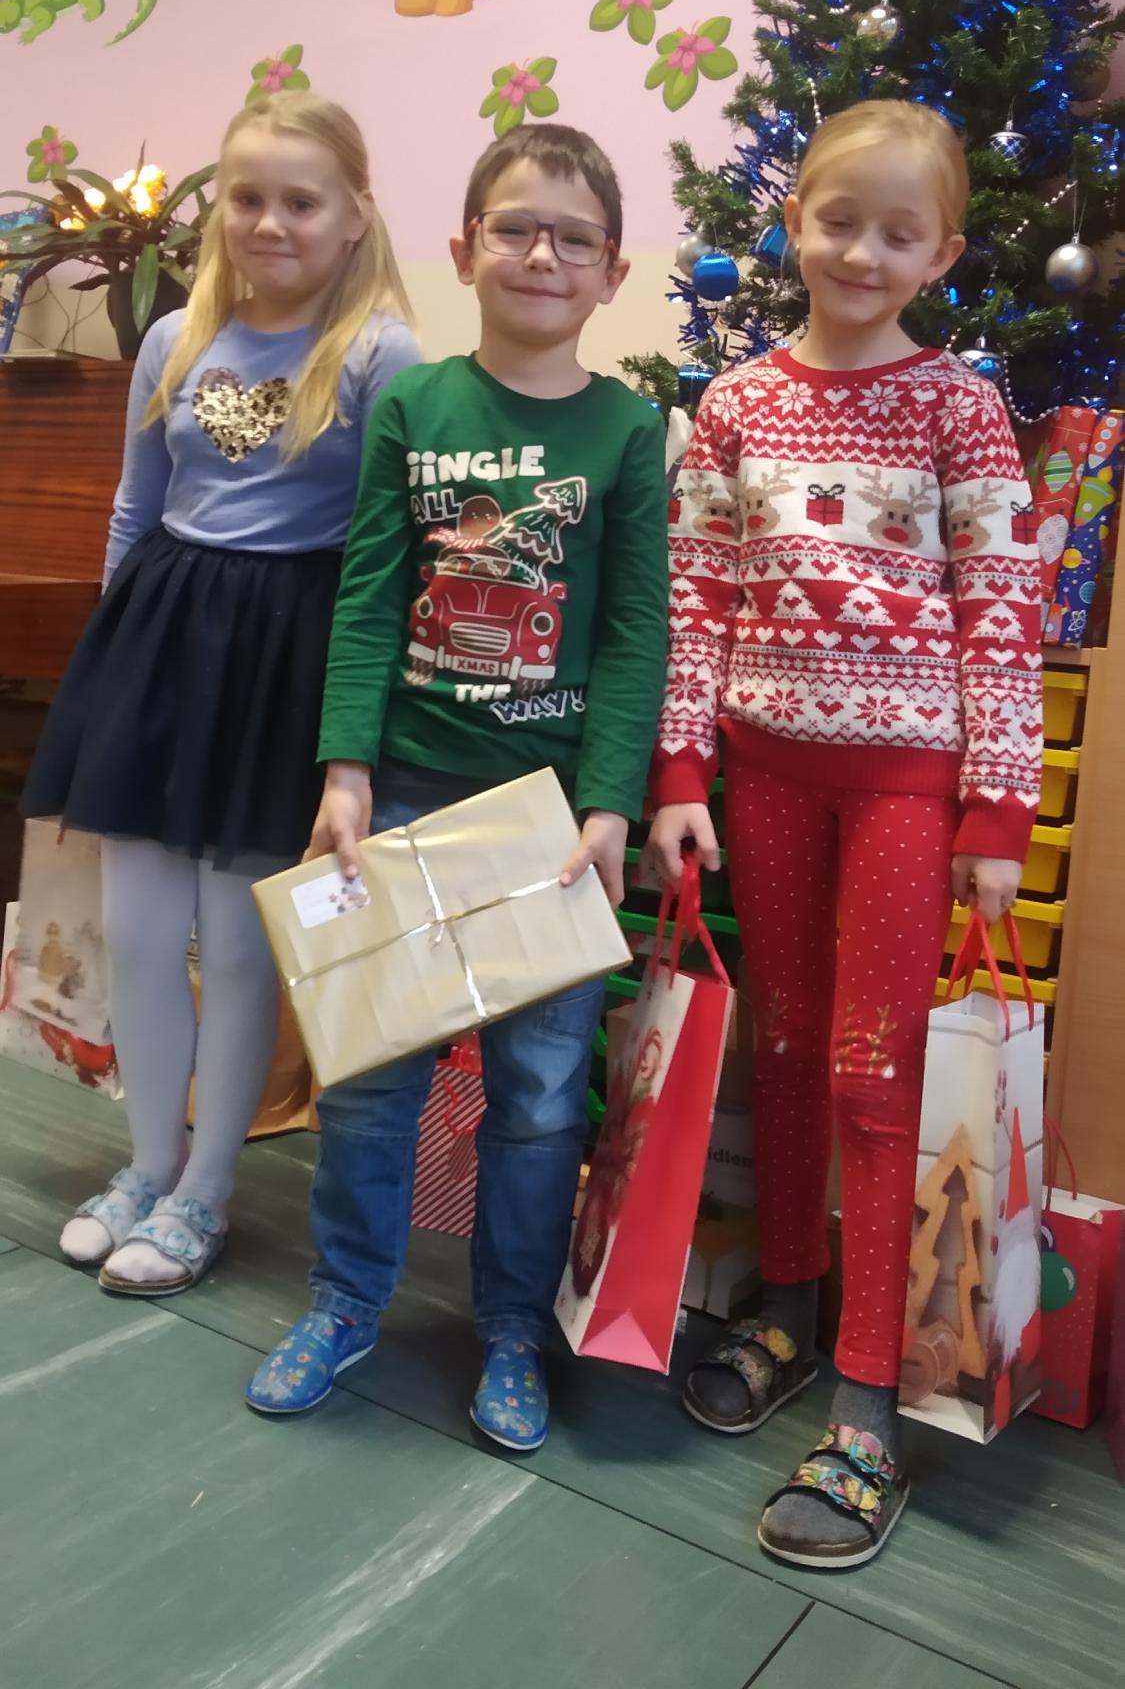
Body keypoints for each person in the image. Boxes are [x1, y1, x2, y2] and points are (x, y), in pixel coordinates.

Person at [648, 100, 1042, 1568]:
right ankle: (794, 1313)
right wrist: (680, 771)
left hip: (901, 792)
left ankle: (869, 1399)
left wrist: (995, 809)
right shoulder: (738, 403)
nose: (862, 253)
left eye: (897, 232)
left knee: (875, 1078)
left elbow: (1002, 615)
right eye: (838, 221)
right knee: (787, 1048)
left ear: (942, 253)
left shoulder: (958, 408)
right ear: (792, 223)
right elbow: (697, 594)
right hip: (762, 775)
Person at [246, 123, 669, 1448]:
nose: (543, 254)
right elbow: (371, 595)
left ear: (612, 272)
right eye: (515, 228)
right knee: (369, 1077)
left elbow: (634, 631)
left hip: (550, 820)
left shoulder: (627, 430)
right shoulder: (416, 407)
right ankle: (345, 1300)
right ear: (463, 249)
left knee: (539, 1098)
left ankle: (511, 1331)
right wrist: (346, 770)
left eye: (575, 238)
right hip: (405, 797)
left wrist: (611, 803)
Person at [22, 91, 420, 1296]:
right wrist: (110, 668)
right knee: (142, 932)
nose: (270, 222)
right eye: (248, 198)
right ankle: (149, 1159)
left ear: (354, 214)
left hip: (286, 659)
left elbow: (384, 551)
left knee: (241, 949)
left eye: (300, 201)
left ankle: (205, 1190)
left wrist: (353, 725)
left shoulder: (381, 354)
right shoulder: (174, 339)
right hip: (162, 643)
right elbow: (135, 508)